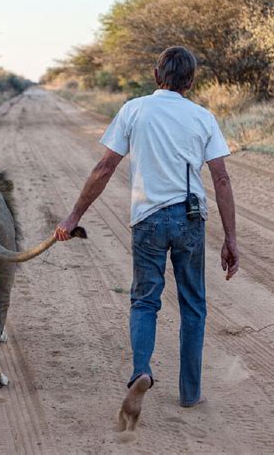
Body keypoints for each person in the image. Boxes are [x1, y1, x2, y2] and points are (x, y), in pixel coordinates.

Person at [54, 46, 239, 430]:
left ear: (157, 76)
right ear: (191, 80)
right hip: (190, 219)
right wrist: (231, 239)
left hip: (148, 220)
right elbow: (221, 179)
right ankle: (190, 393)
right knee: (193, 306)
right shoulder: (203, 117)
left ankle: (141, 370)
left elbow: (105, 167)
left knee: (144, 302)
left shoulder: (134, 109)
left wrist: (74, 217)